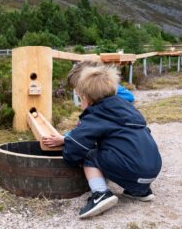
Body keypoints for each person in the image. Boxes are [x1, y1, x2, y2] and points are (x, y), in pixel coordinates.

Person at [40, 64, 162, 219]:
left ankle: (100, 194)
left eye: (80, 98)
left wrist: (69, 156)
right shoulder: (127, 109)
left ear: (86, 98)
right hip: (152, 169)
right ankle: (140, 191)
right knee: (123, 148)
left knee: (90, 156)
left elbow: (78, 143)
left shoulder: (96, 114)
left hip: (132, 168)